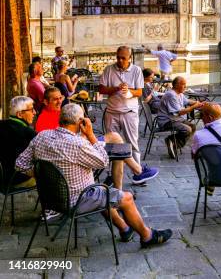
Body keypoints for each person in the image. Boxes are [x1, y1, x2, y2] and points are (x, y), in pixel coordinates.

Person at [16, 104, 172, 248]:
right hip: (77, 200)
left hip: (50, 198)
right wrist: (91, 136)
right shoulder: (78, 144)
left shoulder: (41, 136)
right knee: (126, 197)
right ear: (80, 121)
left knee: (103, 193)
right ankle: (147, 236)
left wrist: (43, 176)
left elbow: (20, 164)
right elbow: (103, 161)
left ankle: (125, 229)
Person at [99, 46, 144, 166]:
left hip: (129, 112)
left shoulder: (136, 70)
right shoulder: (109, 69)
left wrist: (129, 91)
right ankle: (113, 174)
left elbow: (139, 92)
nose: (120, 61)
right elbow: (102, 89)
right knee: (112, 145)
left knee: (132, 143)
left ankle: (138, 172)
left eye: (123, 58)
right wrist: (116, 88)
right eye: (118, 58)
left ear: (130, 58)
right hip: (112, 112)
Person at [157, 76, 203, 160]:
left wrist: (199, 103)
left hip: (175, 119)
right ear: (177, 85)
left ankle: (174, 144)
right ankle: (172, 141)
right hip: (167, 121)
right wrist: (194, 107)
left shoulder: (179, 93)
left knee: (193, 127)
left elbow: (188, 101)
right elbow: (180, 112)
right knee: (187, 129)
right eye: (183, 84)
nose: (185, 86)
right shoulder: (171, 95)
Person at [0, 96, 36, 188]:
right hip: (15, 179)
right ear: (20, 114)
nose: (34, 113)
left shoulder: (1, 124)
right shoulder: (28, 133)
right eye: (31, 110)